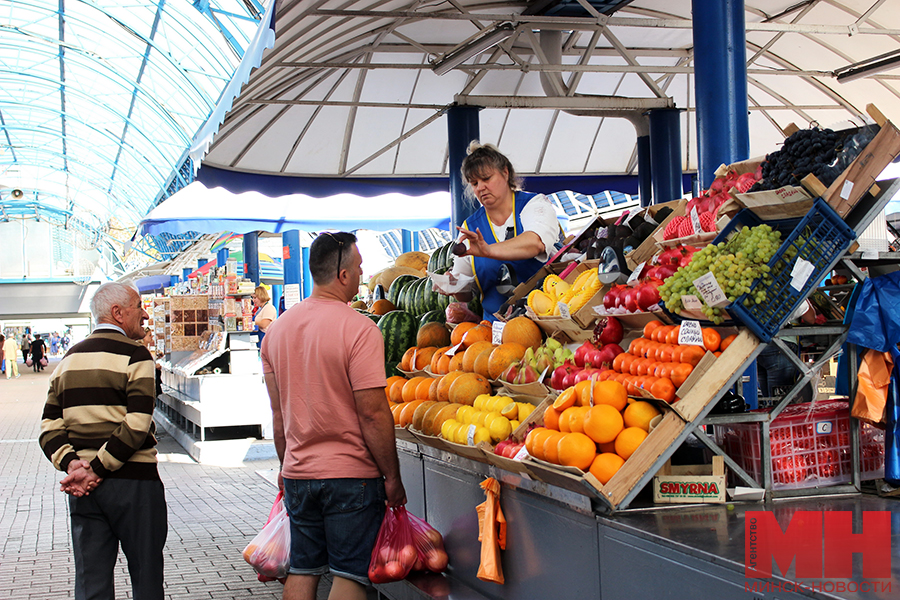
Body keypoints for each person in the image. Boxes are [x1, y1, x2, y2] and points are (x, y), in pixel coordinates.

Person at [261, 231, 406, 600]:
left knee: (302, 569)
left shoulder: (275, 332)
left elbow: (278, 415)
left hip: (297, 474)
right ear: (343, 276)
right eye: (358, 267)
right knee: (350, 575)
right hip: (351, 477)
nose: (361, 273)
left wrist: (285, 467)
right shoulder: (361, 329)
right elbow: (373, 414)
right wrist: (391, 476)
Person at [38, 281, 166, 600]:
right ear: (118, 312)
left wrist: (73, 465)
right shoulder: (137, 356)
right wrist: (95, 469)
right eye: (139, 306)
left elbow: (49, 427)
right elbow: (137, 424)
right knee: (146, 575)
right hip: (134, 484)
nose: (145, 314)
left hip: (85, 491)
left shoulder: (68, 360)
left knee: (91, 581)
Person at [437, 141, 563, 321]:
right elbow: (467, 295)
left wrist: (488, 250)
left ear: (505, 172)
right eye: (474, 183)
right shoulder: (469, 227)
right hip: (498, 331)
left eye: (486, 179)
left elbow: (535, 243)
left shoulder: (534, 205)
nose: (480, 187)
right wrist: (453, 285)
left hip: (548, 321)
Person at [757, 299, 817, 401]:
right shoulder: (789, 289)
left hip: (760, 345)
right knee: (780, 404)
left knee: (769, 401)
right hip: (781, 346)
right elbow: (811, 318)